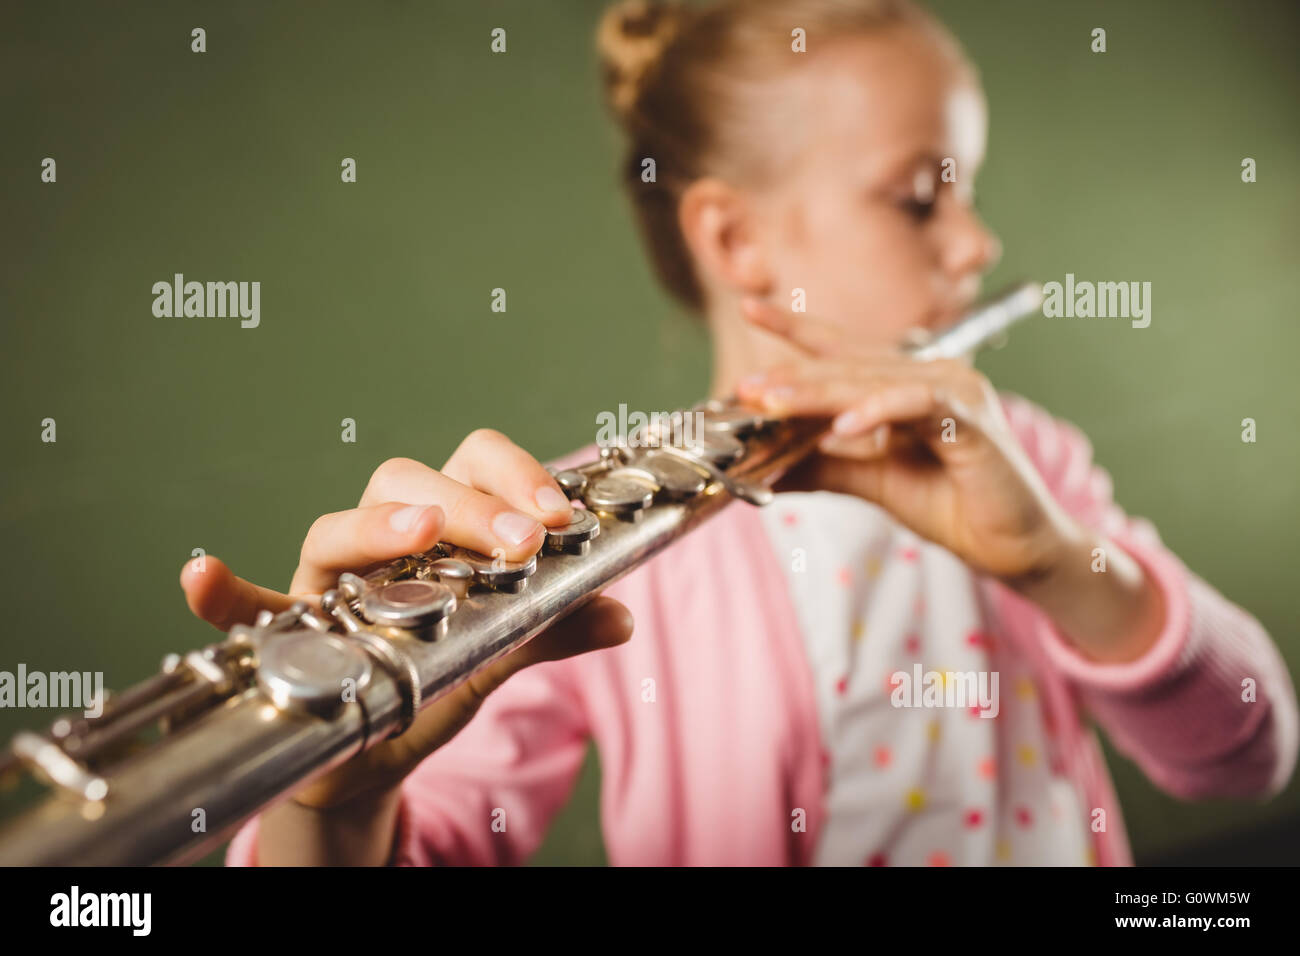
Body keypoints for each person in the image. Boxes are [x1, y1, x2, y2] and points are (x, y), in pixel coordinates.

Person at [187, 0, 1296, 865]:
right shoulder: (559, 528)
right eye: (920, 197)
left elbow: (1248, 747)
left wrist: (1060, 561)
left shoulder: (1024, 460)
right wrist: (337, 788)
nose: (976, 244)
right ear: (737, 241)